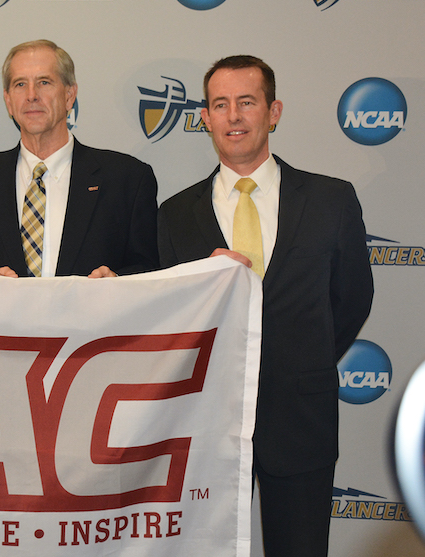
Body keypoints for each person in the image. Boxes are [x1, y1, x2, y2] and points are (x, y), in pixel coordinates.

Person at [157, 55, 374, 557]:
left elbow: (351, 299)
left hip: (301, 420)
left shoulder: (331, 200)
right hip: (203, 427)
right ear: (206, 118)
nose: (234, 116)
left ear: (273, 112)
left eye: (247, 102)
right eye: (220, 104)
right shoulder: (174, 215)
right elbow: (171, 315)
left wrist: (303, 357)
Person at [0, 39, 158, 278]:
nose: (31, 95)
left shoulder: (127, 179)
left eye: (44, 82)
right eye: (20, 84)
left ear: (69, 95)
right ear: (8, 101)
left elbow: (149, 271)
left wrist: (116, 283)